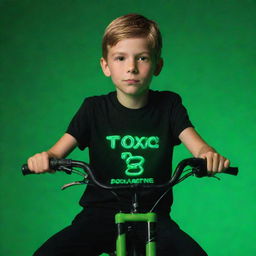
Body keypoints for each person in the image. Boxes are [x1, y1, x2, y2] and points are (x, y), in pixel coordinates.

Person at [27, 14, 230, 256]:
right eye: (120, 58)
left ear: (157, 65)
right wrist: (44, 159)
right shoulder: (94, 109)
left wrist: (208, 156)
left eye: (142, 58)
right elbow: (56, 152)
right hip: (100, 214)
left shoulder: (169, 105)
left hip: (153, 215)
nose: (131, 67)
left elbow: (199, 147)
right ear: (105, 66)